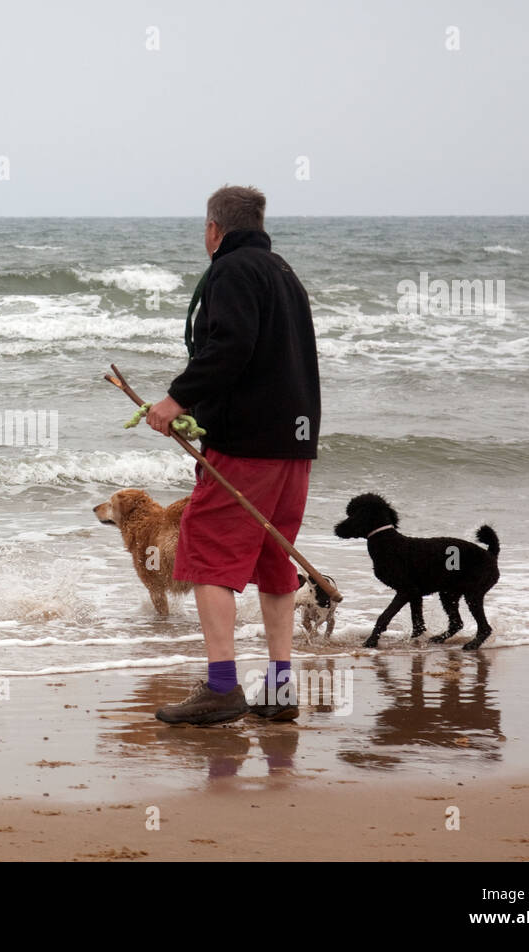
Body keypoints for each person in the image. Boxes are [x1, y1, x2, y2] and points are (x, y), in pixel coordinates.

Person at [147, 185, 321, 725]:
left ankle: (222, 687)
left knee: (207, 551)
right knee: (273, 559)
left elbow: (230, 345)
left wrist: (176, 400)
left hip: (248, 445)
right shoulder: (282, 271)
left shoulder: (232, 270)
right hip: (294, 443)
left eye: (204, 227)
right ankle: (279, 686)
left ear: (214, 229)